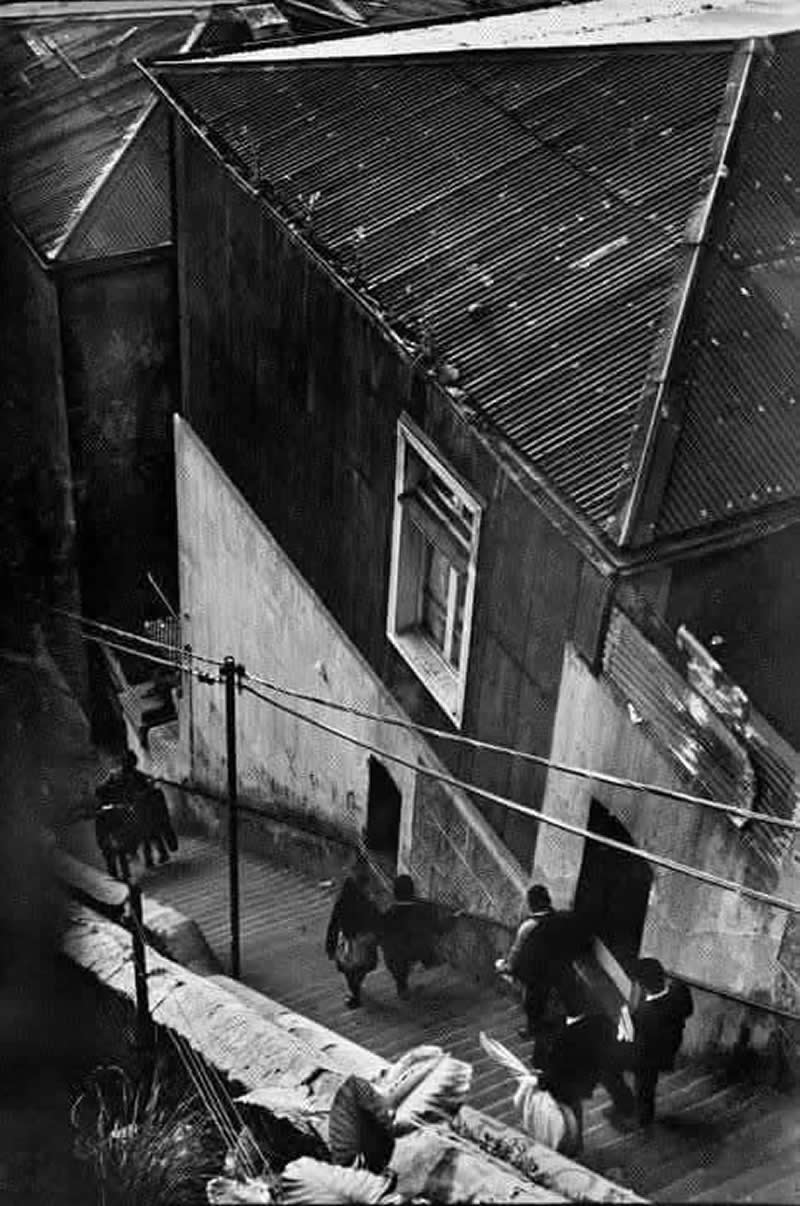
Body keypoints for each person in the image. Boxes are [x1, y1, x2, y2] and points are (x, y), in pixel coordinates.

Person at [537, 968, 635, 1154]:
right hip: (602, 1064)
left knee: (571, 1103)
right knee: (614, 1080)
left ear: (560, 1006)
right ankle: (627, 1108)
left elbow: (555, 1070)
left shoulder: (561, 1038)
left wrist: (543, 1081)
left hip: (577, 1078)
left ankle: (575, 1143)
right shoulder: (601, 1019)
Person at [498, 884, 593, 1051]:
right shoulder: (564, 918)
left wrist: (506, 967)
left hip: (539, 973)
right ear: (548, 900)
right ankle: (577, 1028)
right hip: (562, 967)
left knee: (533, 1002)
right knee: (571, 998)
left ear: (531, 904)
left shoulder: (528, 926)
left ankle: (534, 1029)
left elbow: (516, 951)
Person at [623, 957, 694, 1126]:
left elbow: (633, 1041)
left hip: (649, 1055)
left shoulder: (642, 1014)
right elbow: (688, 1010)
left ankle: (644, 1118)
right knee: (648, 1075)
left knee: (644, 1084)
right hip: (671, 1045)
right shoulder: (680, 991)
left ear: (642, 986)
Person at [379, 874, 456, 999]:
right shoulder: (424, 910)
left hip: (395, 958)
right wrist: (454, 917)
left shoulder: (387, 914)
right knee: (426, 938)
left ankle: (402, 986)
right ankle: (431, 960)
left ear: (394, 893)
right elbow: (440, 929)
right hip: (419, 950)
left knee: (394, 950)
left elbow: (381, 938)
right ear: (413, 891)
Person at [325, 858, 381, 1009]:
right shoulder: (369, 902)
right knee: (362, 967)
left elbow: (334, 923)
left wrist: (330, 945)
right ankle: (356, 987)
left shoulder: (343, 900)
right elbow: (377, 921)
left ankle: (354, 992)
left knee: (349, 968)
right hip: (365, 941)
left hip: (349, 941)